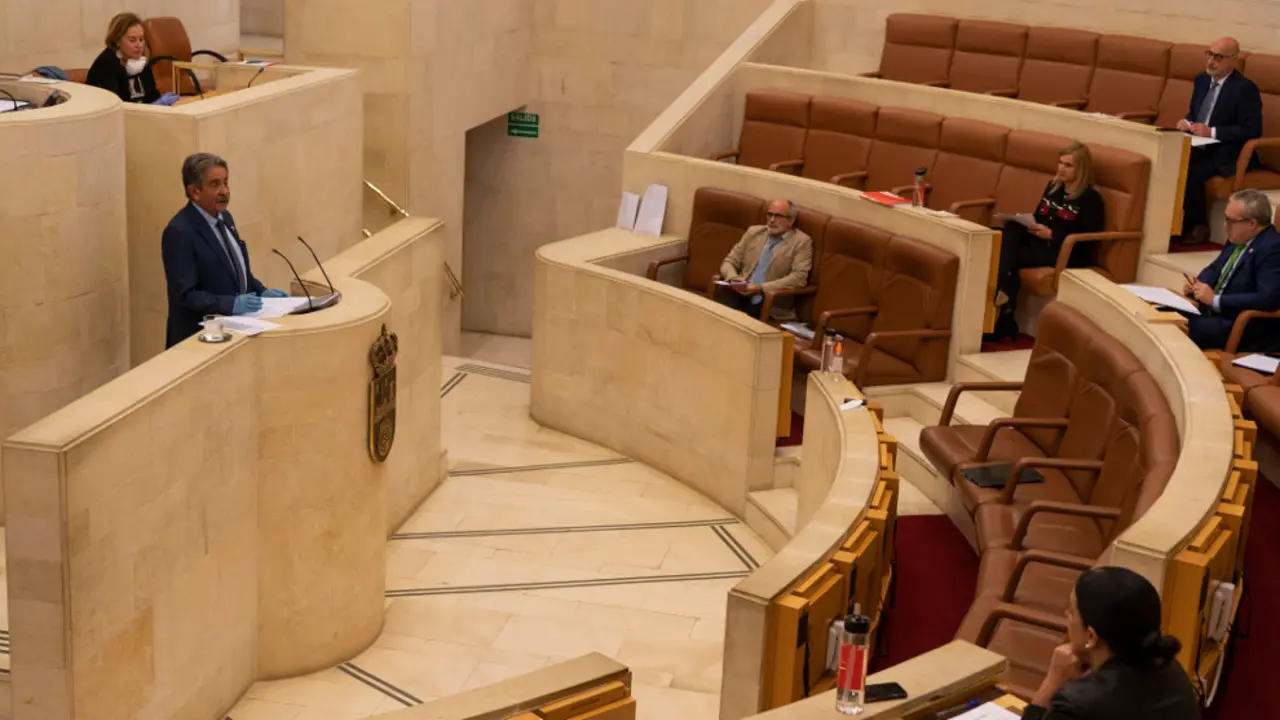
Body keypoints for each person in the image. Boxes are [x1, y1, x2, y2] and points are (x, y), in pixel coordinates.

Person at [1024, 567, 1201, 720]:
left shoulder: (1076, 704)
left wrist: (1054, 679)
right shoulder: (1173, 671)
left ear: (1091, 636)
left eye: (1071, 611)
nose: (1065, 614)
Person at [161, 153, 289, 347]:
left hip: (233, 332)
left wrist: (261, 292)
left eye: (226, 183)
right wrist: (232, 304)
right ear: (194, 191)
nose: (224, 191)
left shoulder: (225, 218)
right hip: (199, 339)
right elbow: (186, 295)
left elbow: (237, 271)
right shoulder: (179, 232)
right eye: (214, 184)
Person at [988, 142, 1104, 341]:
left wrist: (1051, 235)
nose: (1061, 169)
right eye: (1060, 163)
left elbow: (1086, 239)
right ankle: (1005, 303)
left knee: (1003, 254)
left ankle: (1004, 301)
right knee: (1001, 233)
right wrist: (1031, 225)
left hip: (1066, 253)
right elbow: (1039, 217)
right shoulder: (1053, 187)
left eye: (1068, 165)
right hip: (1041, 243)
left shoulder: (1090, 199)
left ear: (1081, 169)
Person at [1175, 37, 1263, 245]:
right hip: (1199, 143)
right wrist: (1186, 122)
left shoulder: (1244, 88)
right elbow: (1196, 113)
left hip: (1229, 151)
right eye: (1209, 54)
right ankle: (1171, 223)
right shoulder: (1202, 80)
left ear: (1233, 60)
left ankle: (1198, 226)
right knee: (1171, 160)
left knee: (1192, 171)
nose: (1211, 61)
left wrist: (1212, 132)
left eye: (1218, 57)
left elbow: (1251, 129)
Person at [1180, 188, 1280, 351]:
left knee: (1179, 327)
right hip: (1215, 314)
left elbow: (1266, 298)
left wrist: (1215, 300)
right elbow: (1215, 268)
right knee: (1164, 311)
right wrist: (1198, 284)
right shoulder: (1239, 237)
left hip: (1239, 324)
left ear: (1252, 223)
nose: (1225, 225)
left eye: (1230, 220)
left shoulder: (1273, 249)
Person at [714, 199, 813, 321]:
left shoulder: (801, 242)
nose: (772, 220)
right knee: (720, 306)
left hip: (769, 301)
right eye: (769, 214)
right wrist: (733, 277)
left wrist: (760, 287)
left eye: (778, 216)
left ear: (791, 220)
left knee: (737, 319)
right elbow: (730, 261)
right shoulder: (754, 232)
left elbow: (799, 278)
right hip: (740, 292)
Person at [85, 12, 179, 106]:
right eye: (132, 40)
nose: (139, 45)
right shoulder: (105, 64)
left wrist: (161, 103)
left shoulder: (142, 60)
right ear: (117, 41)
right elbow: (114, 106)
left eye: (141, 39)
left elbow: (152, 95)